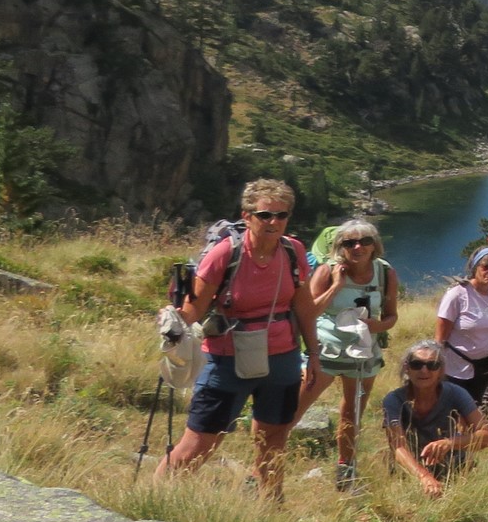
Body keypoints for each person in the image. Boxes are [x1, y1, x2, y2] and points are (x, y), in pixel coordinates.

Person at [155, 179, 323, 498]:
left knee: (274, 437)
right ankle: (153, 500)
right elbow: (194, 309)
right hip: (226, 360)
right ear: (246, 216)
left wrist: (313, 354)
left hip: (283, 357)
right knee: (200, 442)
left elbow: (303, 305)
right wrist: (173, 321)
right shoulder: (225, 254)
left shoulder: (293, 251)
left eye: (281, 215)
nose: (274, 222)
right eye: (265, 215)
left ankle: (270, 507)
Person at [295, 219, 400, 491]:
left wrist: (378, 326)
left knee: (353, 413)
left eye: (365, 241)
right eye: (349, 242)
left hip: (363, 353)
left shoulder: (385, 273)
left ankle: (346, 469)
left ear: (374, 245)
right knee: (295, 408)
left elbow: (391, 316)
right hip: (325, 352)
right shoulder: (327, 271)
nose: (357, 247)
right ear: (339, 247)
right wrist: (336, 286)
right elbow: (309, 312)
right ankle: (266, 464)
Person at [381, 341, 484, 498]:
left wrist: (450, 443)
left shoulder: (456, 393)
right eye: (417, 364)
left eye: (432, 365)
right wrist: (423, 477)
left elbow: (487, 436)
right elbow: (398, 447)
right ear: (407, 368)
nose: (424, 370)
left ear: (441, 370)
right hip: (410, 468)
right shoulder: (394, 400)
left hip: (452, 465)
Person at [436, 248, 488, 414]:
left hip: (485, 367)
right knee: (452, 414)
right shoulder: (457, 295)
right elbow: (440, 337)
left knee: (474, 414)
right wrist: (436, 367)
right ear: (475, 267)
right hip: (455, 368)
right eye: (486, 267)